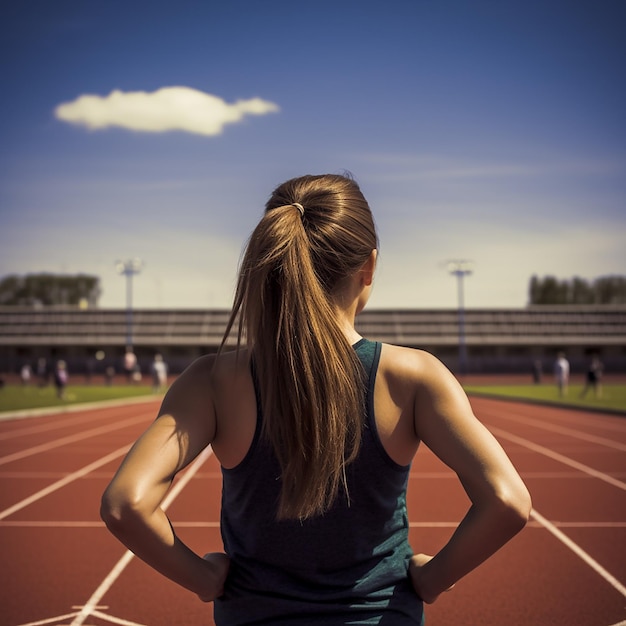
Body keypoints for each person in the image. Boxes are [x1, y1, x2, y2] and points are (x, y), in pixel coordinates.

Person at [101, 174, 531, 625]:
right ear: (369, 267)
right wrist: (433, 579)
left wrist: (204, 579)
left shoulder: (213, 381)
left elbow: (125, 504)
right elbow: (507, 501)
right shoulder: (414, 377)